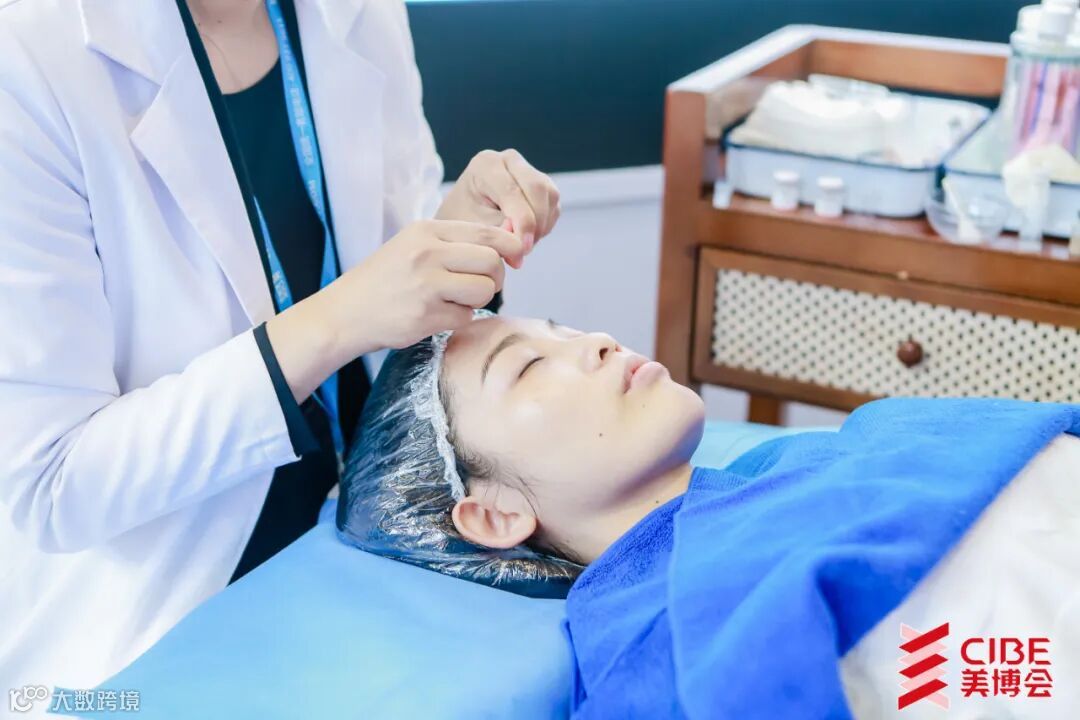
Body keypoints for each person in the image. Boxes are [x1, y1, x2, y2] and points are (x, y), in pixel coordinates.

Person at [0, 0, 560, 698]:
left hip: (366, 540)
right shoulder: (27, 58)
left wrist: (456, 242)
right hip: (166, 602)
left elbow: (395, 319)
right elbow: (54, 487)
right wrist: (334, 320)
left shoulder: (360, 14)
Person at [371, 313, 1080, 718]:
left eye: (563, 329)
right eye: (527, 367)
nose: (595, 341)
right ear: (495, 516)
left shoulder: (815, 455)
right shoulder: (651, 632)